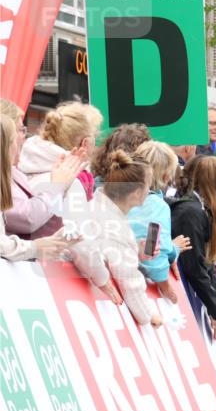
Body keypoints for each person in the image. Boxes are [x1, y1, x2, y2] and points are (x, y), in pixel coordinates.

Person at [65, 151, 162, 327]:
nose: (150, 190)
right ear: (136, 193)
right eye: (148, 184)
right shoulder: (115, 227)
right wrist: (150, 315)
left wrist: (137, 253)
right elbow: (129, 283)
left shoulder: (100, 206)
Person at [171, 156, 216, 340]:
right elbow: (194, 265)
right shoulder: (191, 212)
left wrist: (214, 306)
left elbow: (206, 262)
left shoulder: (200, 208)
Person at [0, 99, 85, 240]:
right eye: (20, 130)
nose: (23, 137)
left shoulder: (15, 172)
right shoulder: (11, 172)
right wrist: (57, 186)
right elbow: (27, 218)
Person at [18, 101, 101, 231]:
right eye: (95, 136)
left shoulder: (18, 170)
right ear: (85, 143)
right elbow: (78, 239)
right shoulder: (71, 183)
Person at [128, 141, 190, 303]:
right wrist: (166, 286)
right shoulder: (156, 206)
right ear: (165, 176)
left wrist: (173, 248)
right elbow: (152, 250)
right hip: (136, 284)